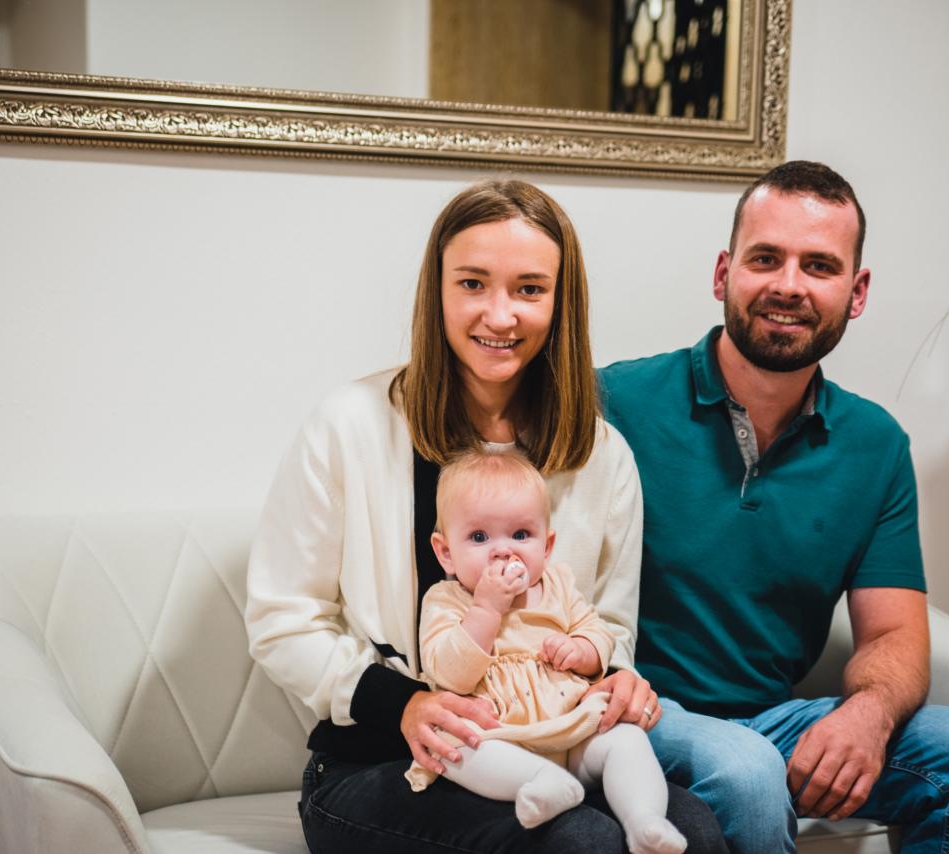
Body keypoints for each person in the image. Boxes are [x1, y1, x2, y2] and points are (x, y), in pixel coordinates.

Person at [246, 179, 725, 853]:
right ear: (437, 291)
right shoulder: (349, 425)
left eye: (529, 289)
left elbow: (610, 626)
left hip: (549, 741)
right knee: (581, 841)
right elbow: (282, 620)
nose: (499, 316)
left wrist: (616, 678)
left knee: (697, 832)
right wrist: (405, 704)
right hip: (380, 762)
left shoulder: (601, 454)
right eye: (472, 283)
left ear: (560, 303)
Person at [599, 161, 949, 853]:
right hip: (633, 716)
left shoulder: (875, 445)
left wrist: (869, 714)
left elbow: (893, 634)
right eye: (765, 258)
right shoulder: (613, 404)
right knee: (746, 771)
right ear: (723, 274)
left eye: (819, 266)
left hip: (770, 723)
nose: (789, 285)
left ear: (856, 293)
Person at [406, 449, 686, 854]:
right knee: (449, 744)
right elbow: (451, 674)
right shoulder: (446, 601)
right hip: (501, 736)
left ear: (547, 545)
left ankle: (644, 821)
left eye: (521, 535)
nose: (503, 551)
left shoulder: (558, 586)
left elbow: (599, 634)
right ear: (445, 552)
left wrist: (581, 650)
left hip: (572, 730)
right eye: (479, 538)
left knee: (626, 739)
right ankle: (542, 782)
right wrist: (486, 609)